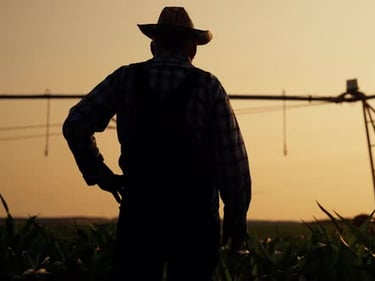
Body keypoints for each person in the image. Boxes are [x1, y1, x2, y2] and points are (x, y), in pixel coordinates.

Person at [62, 6, 251, 281]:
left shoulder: (125, 78)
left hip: (140, 213)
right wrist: (236, 213)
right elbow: (231, 159)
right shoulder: (208, 86)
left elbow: (75, 124)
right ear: (192, 48)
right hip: (194, 218)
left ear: (154, 45)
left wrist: (100, 174)